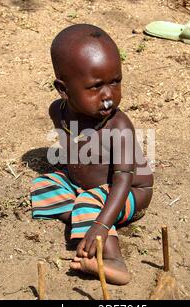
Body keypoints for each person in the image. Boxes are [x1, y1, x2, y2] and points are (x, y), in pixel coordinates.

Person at [30, 24, 153, 285]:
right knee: (43, 185)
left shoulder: (118, 126)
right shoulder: (58, 112)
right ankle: (87, 215)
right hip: (87, 186)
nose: (109, 96)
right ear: (63, 90)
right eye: (95, 87)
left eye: (115, 82)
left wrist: (101, 225)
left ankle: (114, 262)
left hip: (130, 191)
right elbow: (72, 150)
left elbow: (123, 181)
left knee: (90, 204)